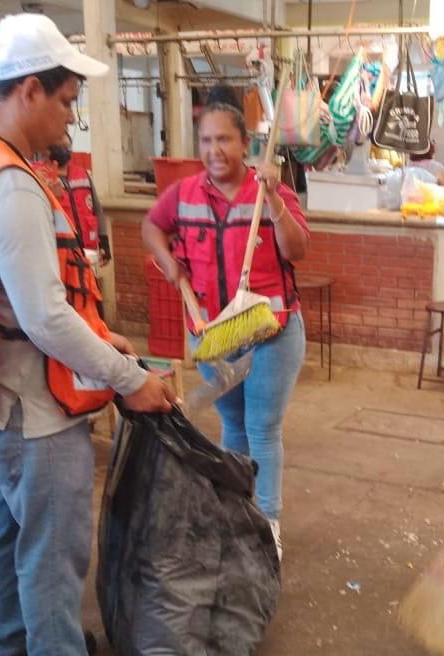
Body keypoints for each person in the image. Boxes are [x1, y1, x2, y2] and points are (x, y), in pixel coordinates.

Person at [0, 14, 175, 656]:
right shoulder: (9, 186)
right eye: (66, 101)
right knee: (52, 558)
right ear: (29, 89)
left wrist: (102, 337)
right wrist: (131, 380)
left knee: (10, 532)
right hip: (32, 414)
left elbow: (15, 298)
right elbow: (44, 319)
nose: (70, 118)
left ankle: (10, 645)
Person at [142, 100, 310, 560]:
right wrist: (170, 264)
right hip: (213, 335)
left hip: (271, 332)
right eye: (206, 140)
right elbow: (151, 227)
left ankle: (267, 525)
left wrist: (274, 200)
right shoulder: (184, 194)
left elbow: (297, 250)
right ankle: (236, 513)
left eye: (224, 139)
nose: (214, 150)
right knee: (233, 425)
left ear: (245, 143)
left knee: (261, 427)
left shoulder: (269, 191)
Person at [32, 131, 111, 264]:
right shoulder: (38, 174)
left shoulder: (82, 174)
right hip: (58, 254)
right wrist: (50, 196)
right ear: (47, 150)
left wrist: (104, 242)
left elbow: (97, 210)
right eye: (60, 146)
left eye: (67, 146)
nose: (64, 150)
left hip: (87, 251)